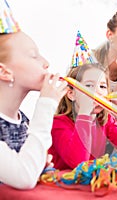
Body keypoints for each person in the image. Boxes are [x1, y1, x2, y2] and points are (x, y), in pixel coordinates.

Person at [0, 31, 67, 189]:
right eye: (34, 56)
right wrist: (46, 103)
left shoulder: (23, 121)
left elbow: (26, 170)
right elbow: (24, 177)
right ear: (4, 72)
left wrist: (39, 166)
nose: (46, 63)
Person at [48, 63, 117, 170]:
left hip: (88, 181)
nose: (98, 92)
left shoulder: (104, 120)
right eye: (89, 86)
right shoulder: (58, 123)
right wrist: (84, 113)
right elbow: (79, 164)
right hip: (60, 181)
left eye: (103, 86)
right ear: (71, 94)